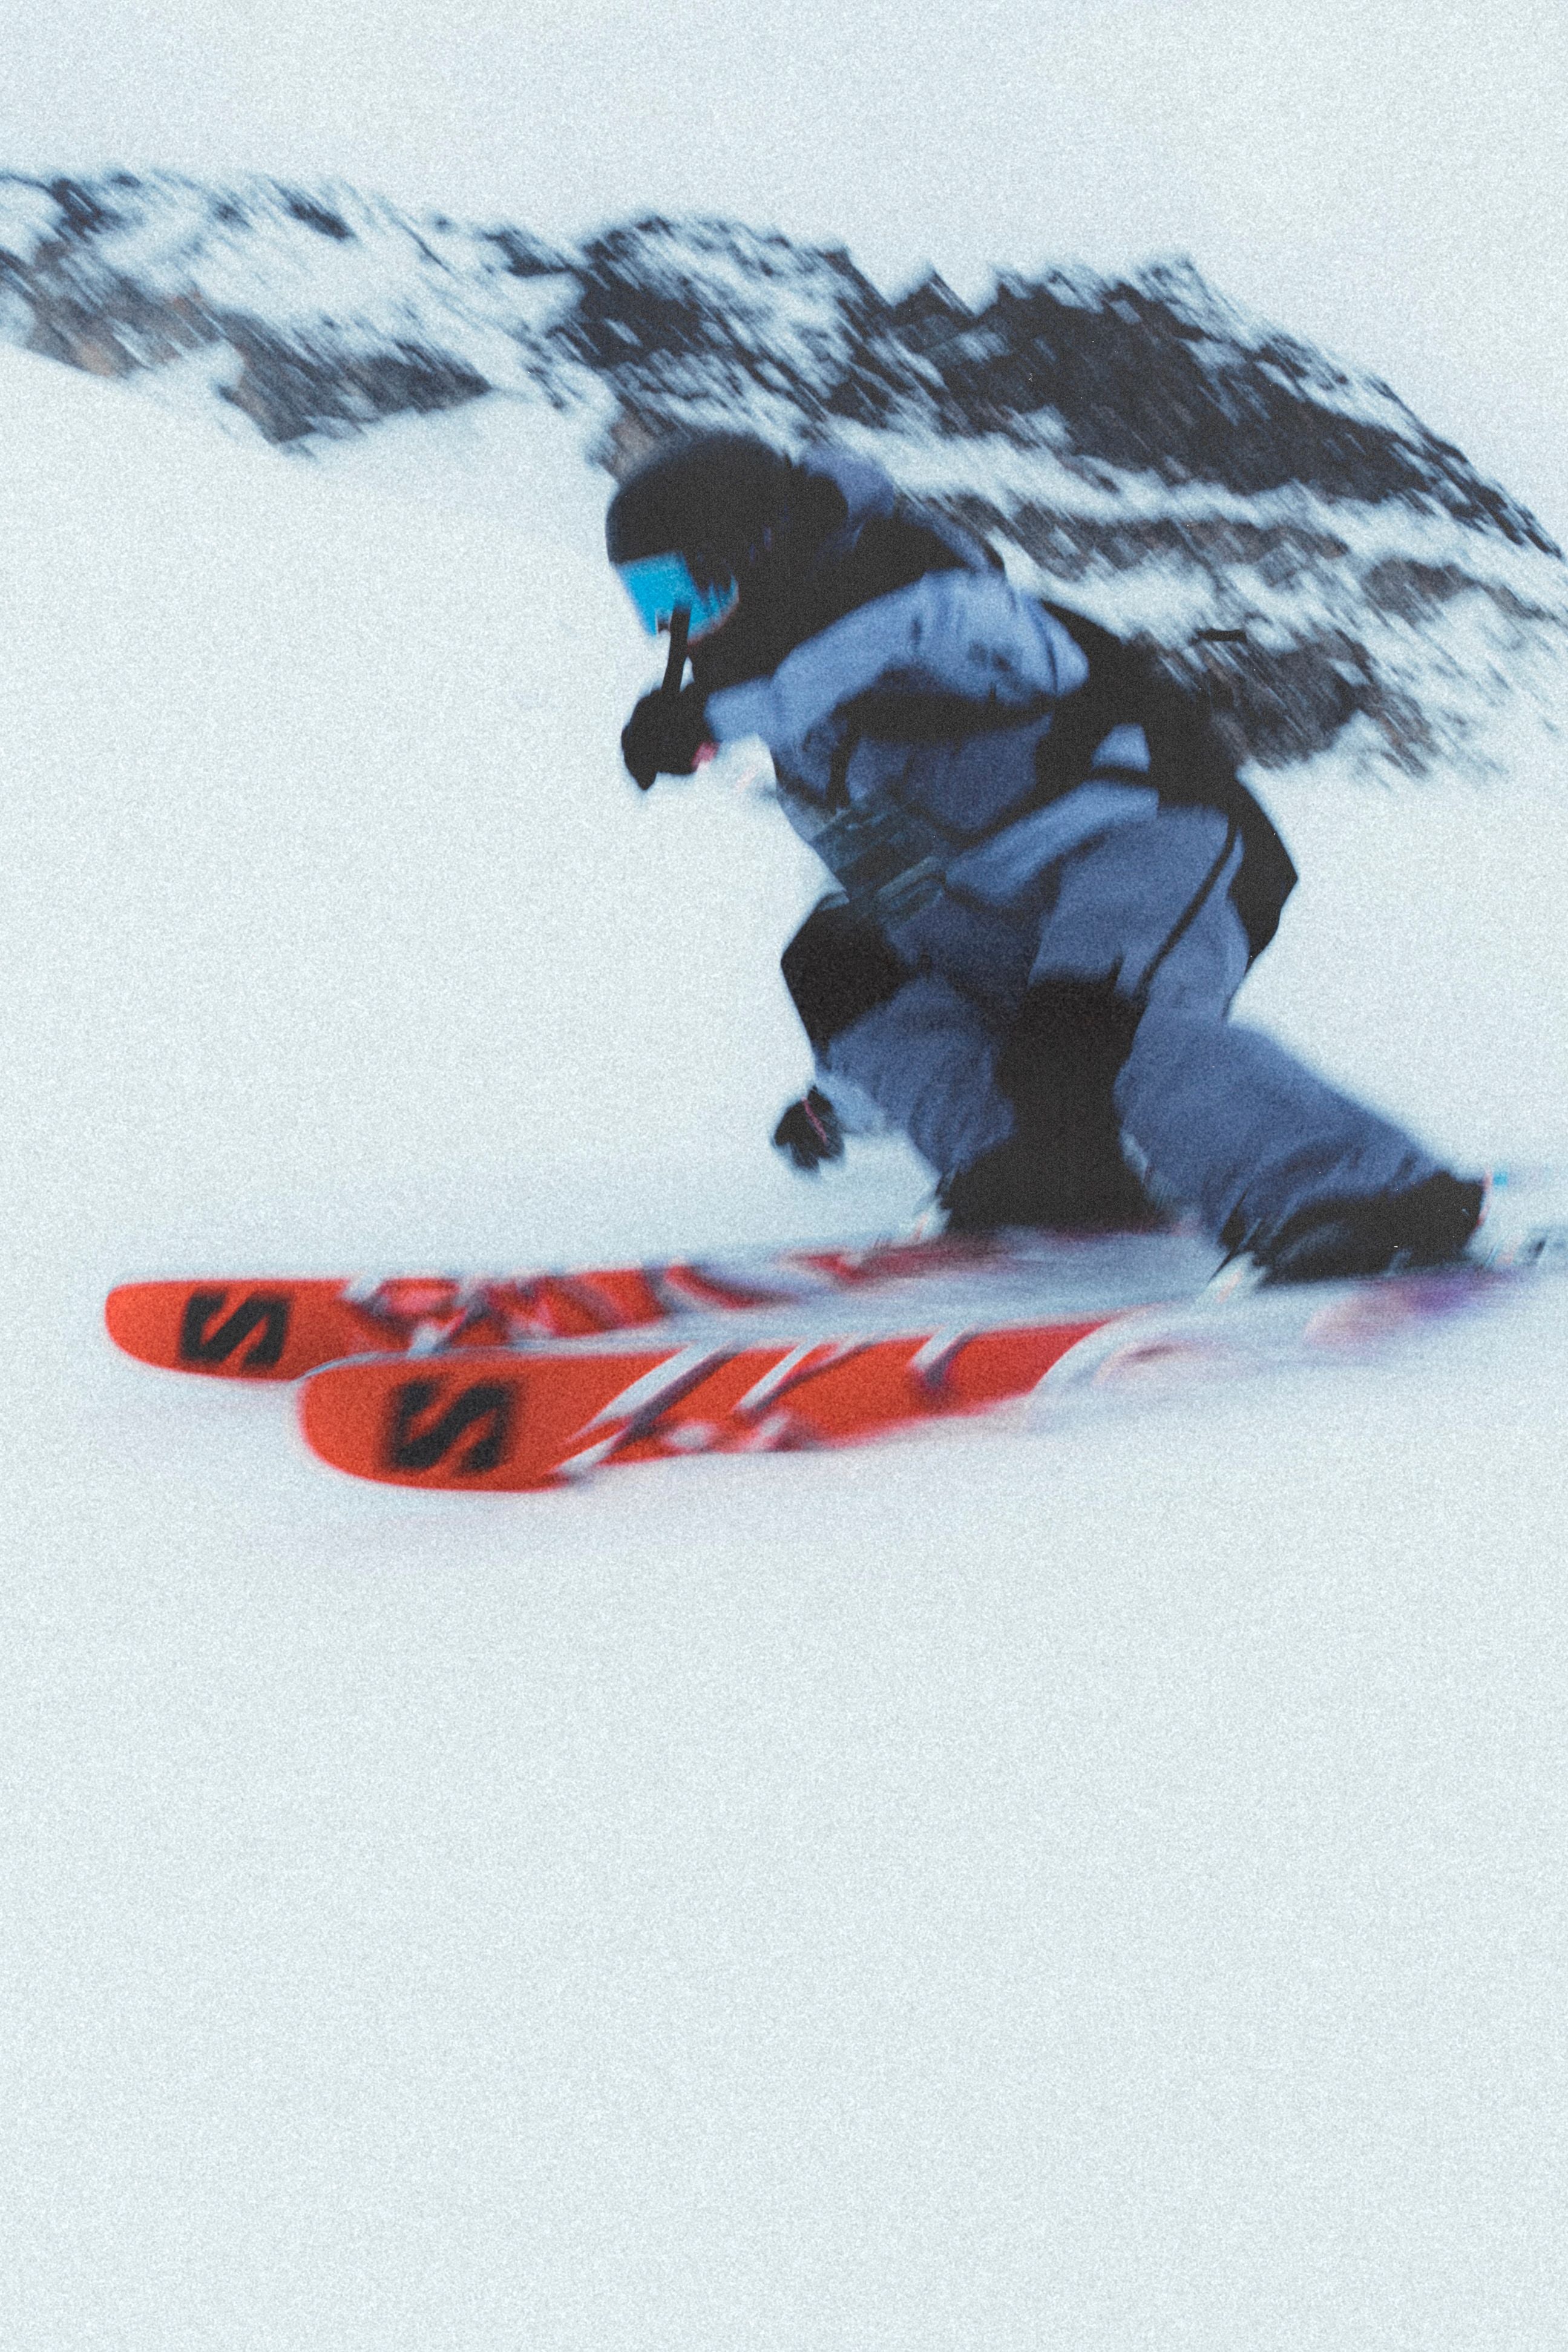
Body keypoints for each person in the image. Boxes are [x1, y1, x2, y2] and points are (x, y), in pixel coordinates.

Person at [605, 429, 1484, 1282]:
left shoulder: (935, 593)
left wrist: (720, 715)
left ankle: (1367, 1195)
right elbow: (901, 900)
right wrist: (838, 1105)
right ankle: (1037, 1170)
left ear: (759, 553)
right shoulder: (808, 739)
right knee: (837, 959)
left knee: (1086, 1030)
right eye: (653, 605)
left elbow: (912, 621)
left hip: (1152, 846)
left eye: (688, 594)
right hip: (1001, 913)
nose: (677, 631)